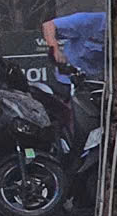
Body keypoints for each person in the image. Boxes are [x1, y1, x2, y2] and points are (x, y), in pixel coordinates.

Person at [42, 8, 109, 153]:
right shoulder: (92, 20)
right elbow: (48, 26)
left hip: (97, 85)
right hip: (69, 82)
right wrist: (55, 49)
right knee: (73, 119)